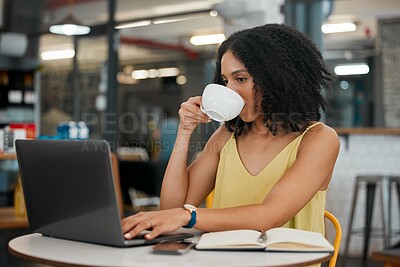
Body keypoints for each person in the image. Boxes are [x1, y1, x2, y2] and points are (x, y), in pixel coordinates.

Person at [122, 23, 340, 241]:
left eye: (241, 79)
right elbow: (171, 208)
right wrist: (184, 131)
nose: (230, 90)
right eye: (226, 81)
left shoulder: (319, 139)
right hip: (223, 259)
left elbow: (269, 215)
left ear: (277, 79)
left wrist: (187, 216)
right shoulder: (226, 136)